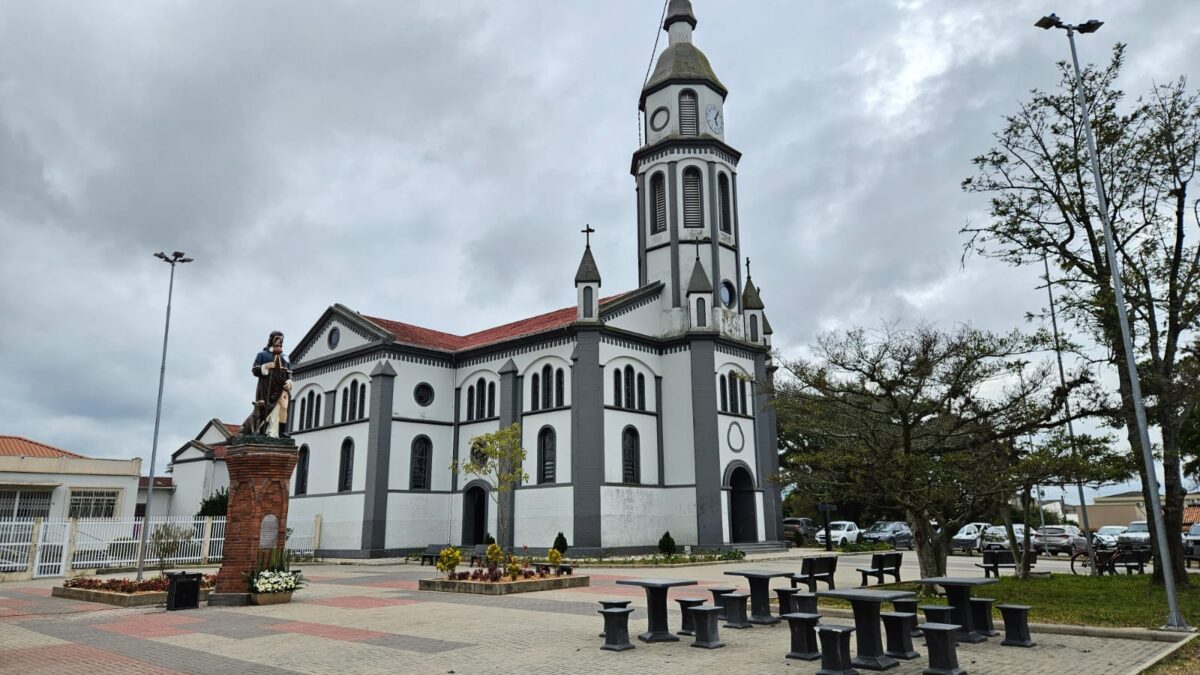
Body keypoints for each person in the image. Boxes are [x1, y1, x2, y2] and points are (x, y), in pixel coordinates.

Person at [241, 331, 292, 437]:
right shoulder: (262, 355)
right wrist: (265, 367)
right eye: (277, 341)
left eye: (281, 342)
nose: (279, 343)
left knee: (283, 407)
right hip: (267, 387)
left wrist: (289, 381)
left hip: (282, 387)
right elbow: (255, 370)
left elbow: (289, 372)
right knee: (266, 408)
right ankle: (263, 431)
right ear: (271, 341)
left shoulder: (285, 357)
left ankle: (281, 432)